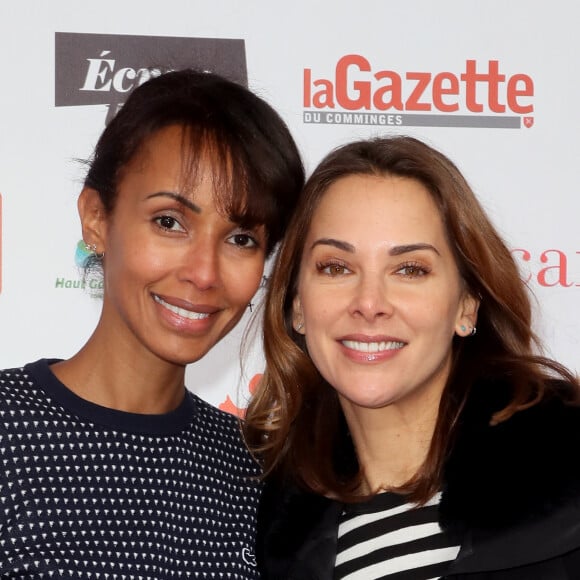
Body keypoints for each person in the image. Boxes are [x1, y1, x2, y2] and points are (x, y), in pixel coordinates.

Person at [0, 69, 304, 577]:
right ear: (97, 219)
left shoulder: (251, 471)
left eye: (241, 239)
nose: (204, 273)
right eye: (170, 222)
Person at [244, 136, 580, 579]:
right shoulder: (268, 531)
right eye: (336, 267)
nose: (369, 302)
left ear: (466, 305)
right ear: (297, 306)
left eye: (410, 269)